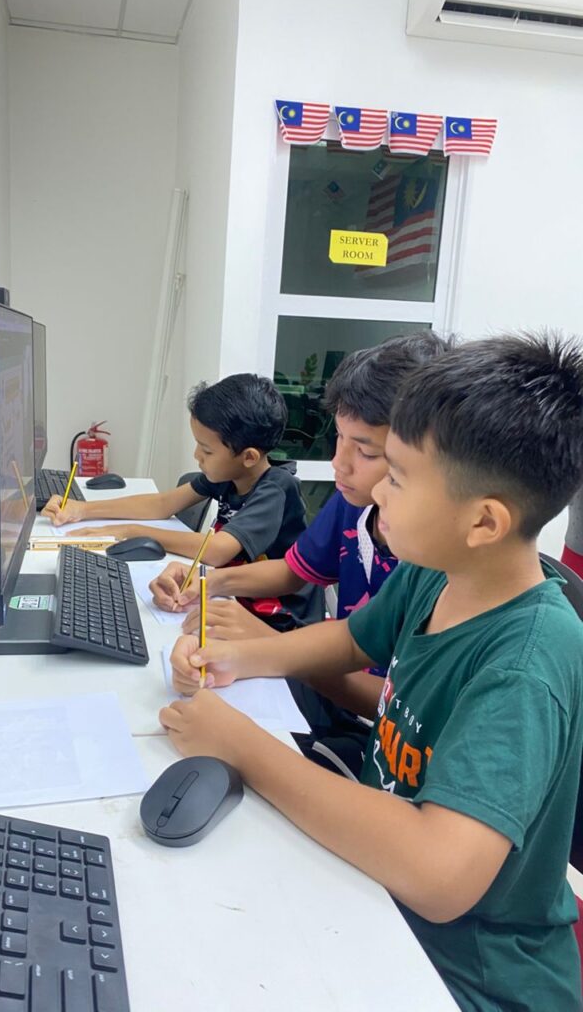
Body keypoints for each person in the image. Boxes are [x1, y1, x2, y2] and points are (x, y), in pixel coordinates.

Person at [163, 333, 583, 1012]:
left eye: (398, 477)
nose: (376, 490)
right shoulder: (436, 571)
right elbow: (350, 640)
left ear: (483, 521)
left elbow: (439, 875)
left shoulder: (525, 663)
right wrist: (237, 656)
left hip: (467, 974)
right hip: (375, 895)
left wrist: (241, 746)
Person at [150, 333, 451, 774]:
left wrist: (269, 646)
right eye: (339, 438)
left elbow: (401, 707)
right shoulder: (355, 505)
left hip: (368, 730)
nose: (338, 464)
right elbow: (298, 573)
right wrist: (210, 585)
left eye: (367, 451)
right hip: (340, 694)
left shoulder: (440, 571)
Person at [43, 373, 322, 630]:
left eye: (207, 450)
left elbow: (216, 551)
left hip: (281, 622)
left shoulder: (276, 489)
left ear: (248, 457)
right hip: (235, 597)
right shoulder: (230, 474)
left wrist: (130, 531)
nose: (196, 455)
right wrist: (83, 509)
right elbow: (162, 504)